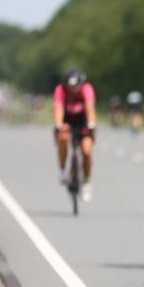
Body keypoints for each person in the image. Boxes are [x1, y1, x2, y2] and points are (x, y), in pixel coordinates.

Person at [53, 67, 98, 202]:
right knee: (63, 137)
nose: (73, 91)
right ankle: (62, 169)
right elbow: (58, 109)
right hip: (67, 119)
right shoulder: (60, 90)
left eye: (76, 88)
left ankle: (86, 182)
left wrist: (91, 125)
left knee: (87, 151)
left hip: (82, 120)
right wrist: (58, 126)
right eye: (70, 88)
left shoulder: (87, 89)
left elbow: (90, 108)